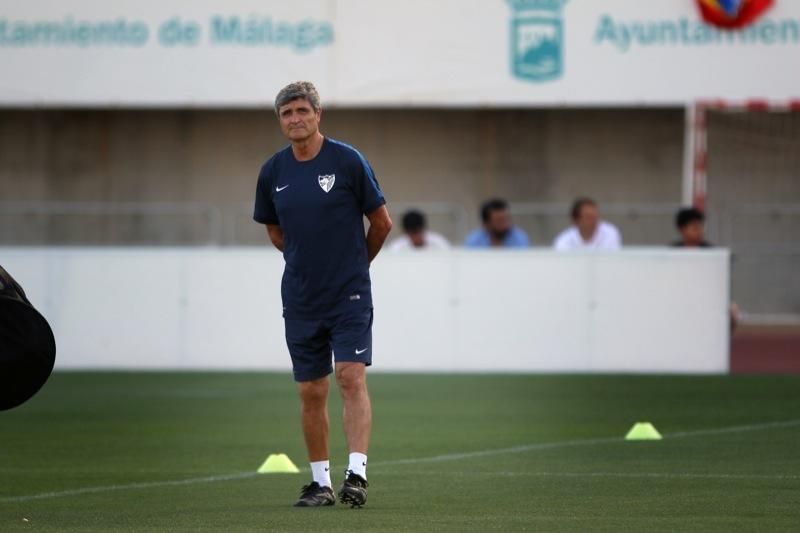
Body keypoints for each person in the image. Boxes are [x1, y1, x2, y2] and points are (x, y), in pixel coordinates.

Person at [253, 81, 392, 508]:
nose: (294, 119)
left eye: (301, 111)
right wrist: (302, 259)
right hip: (300, 297)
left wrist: (355, 267)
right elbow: (274, 229)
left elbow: (382, 222)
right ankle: (320, 483)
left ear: (318, 114)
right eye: (286, 113)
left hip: (348, 293)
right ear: (280, 121)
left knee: (350, 376)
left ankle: (357, 474)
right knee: (311, 390)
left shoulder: (347, 161)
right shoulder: (273, 171)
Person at [553, 197, 622, 251]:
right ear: (576, 221)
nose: (595, 221)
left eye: (596, 216)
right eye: (589, 217)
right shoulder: (563, 241)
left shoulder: (610, 233)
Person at [464, 198, 530, 247]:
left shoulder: (519, 238)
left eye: (507, 219)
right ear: (486, 224)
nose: (505, 224)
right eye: (499, 220)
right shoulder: (474, 241)